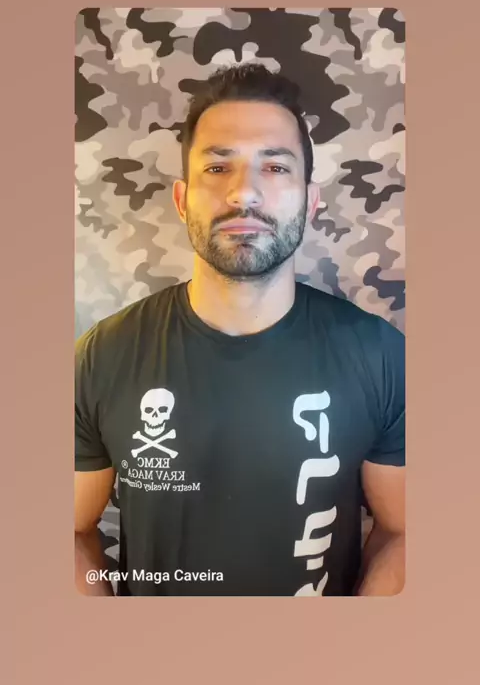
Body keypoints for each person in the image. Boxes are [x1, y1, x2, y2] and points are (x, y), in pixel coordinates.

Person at [75, 63, 405, 597]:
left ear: (310, 201)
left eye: (274, 167)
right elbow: (67, 531)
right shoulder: (100, 356)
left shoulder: (382, 356)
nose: (244, 193)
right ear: (182, 200)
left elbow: (405, 531)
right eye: (217, 167)